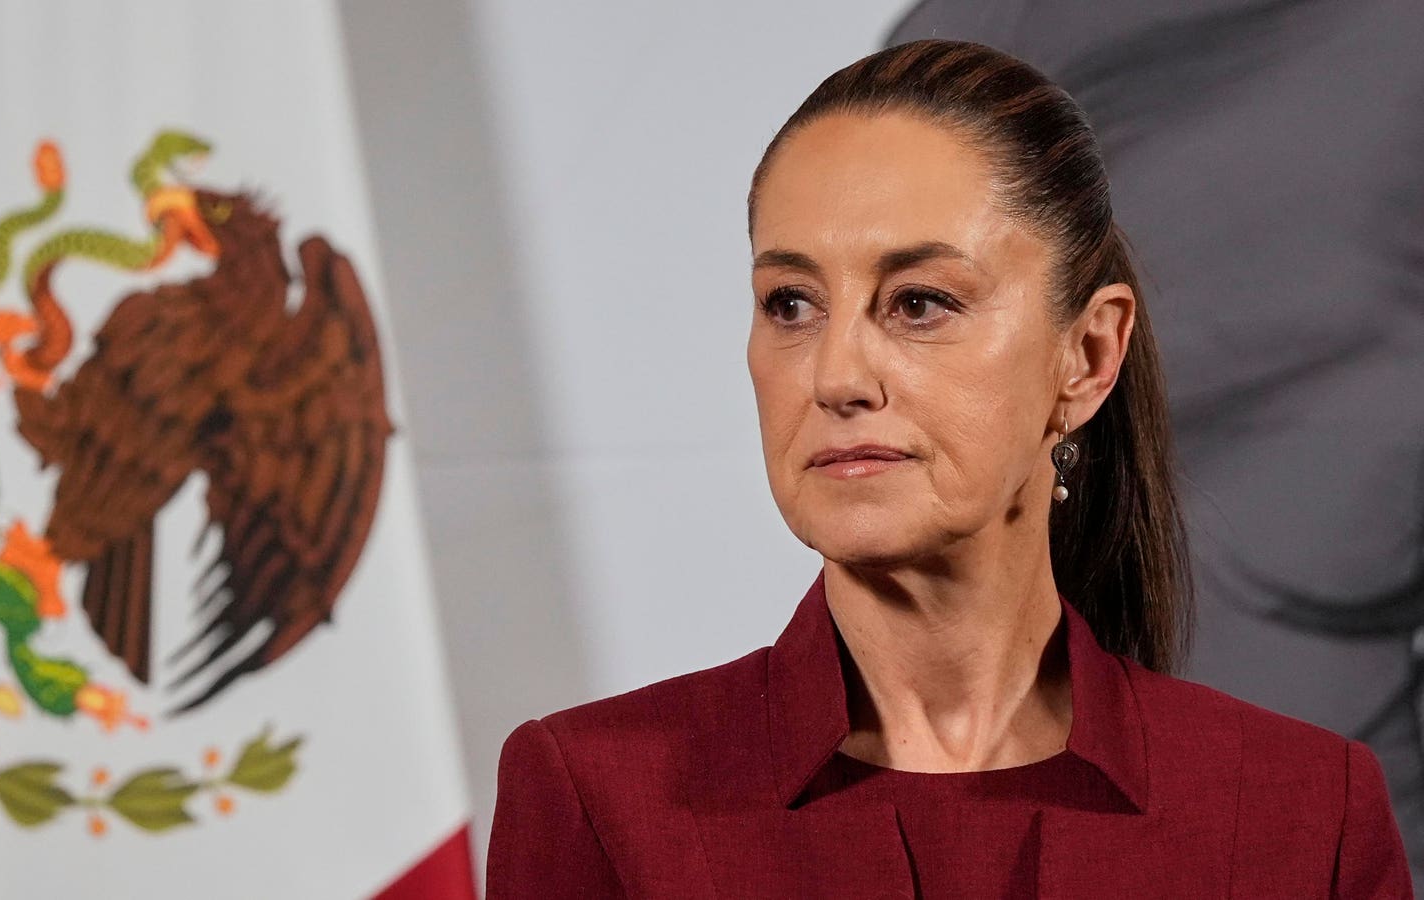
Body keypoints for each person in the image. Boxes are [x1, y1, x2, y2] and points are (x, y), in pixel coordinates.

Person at [485, 39, 1413, 898]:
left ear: (1087, 355)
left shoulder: (1302, 812)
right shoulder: (597, 798)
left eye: (919, 302)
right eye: (791, 303)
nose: (836, 377)